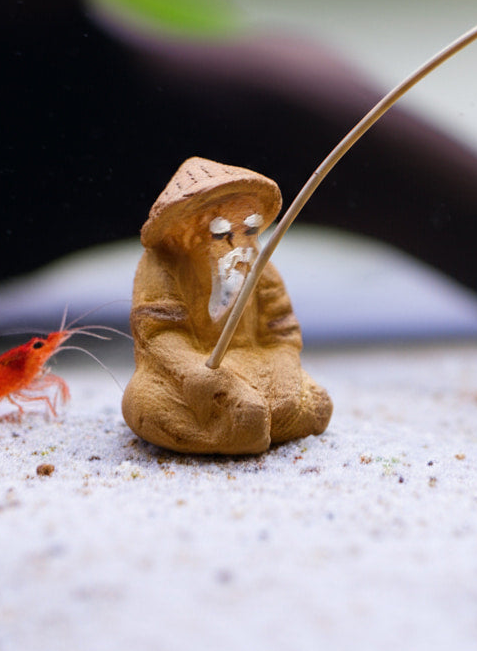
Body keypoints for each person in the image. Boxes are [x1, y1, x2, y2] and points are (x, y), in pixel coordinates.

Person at [123, 158, 332, 455]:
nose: (238, 245)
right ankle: (236, 428)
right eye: (222, 233)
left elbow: (281, 331)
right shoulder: (162, 264)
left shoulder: (259, 266)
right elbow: (159, 335)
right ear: (190, 233)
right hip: (187, 372)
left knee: (309, 403)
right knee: (146, 403)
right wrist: (196, 374)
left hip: (257, 362)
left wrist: (284, 372)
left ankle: (250, 422)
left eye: (249, 230)